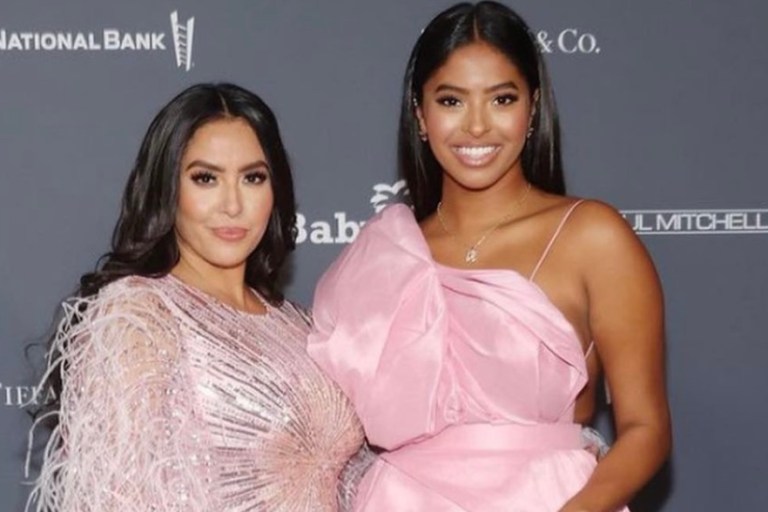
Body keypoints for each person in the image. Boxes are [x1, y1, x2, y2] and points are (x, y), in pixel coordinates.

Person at [307, 2, 671, 511]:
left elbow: (645, 428)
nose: (476, 127)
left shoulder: (592, 236)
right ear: (420, 115)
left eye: (501, 99)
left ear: (532, 108)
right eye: (451, 101)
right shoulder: (381, 253)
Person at [26, 83, 363, 511]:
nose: (232, 204)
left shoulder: (300, 324)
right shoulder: (139, 316)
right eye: (206, 178)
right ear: (168, 188)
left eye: (252, 178)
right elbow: (115, 499)